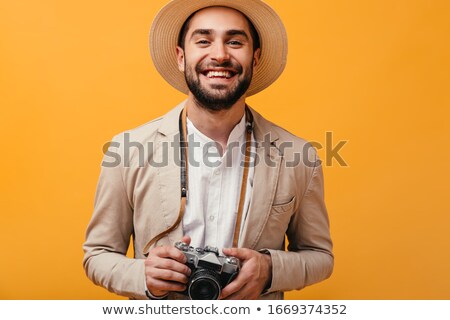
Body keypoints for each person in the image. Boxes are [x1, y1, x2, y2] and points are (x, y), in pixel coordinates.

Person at [83, 0, 333, 300]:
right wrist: (142, 275)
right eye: (203, 41)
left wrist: (270, 269)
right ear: (180, 56)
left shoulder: (300, 156)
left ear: (255, 59)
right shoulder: (126, 150)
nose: (219, 55)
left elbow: (320, 257)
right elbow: (97, 254)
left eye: (235, 41)